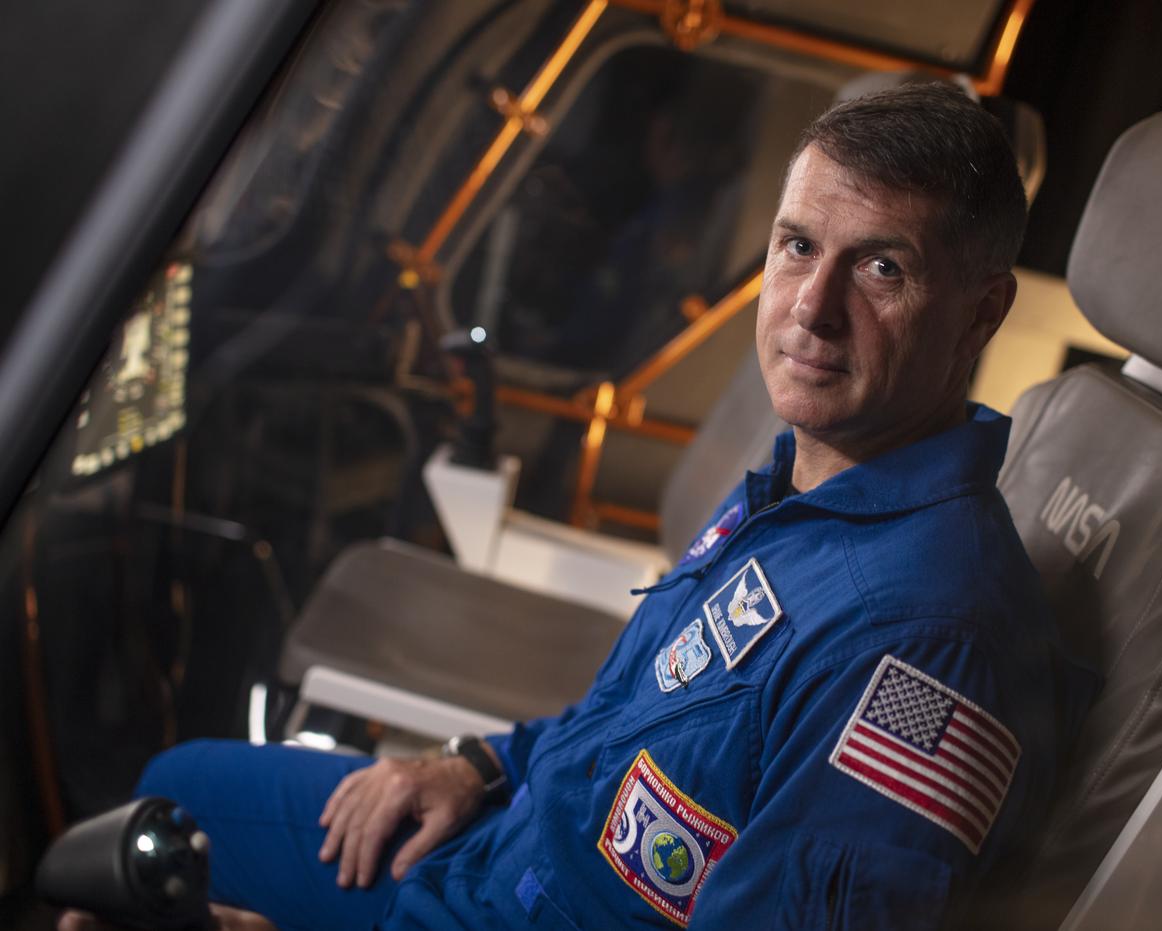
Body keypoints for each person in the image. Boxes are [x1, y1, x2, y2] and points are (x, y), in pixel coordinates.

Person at [62, 81, 1095, 931]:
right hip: (492, 848)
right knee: (172, 793)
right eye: (795, 246)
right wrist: (475, 765)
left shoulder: (924, 643)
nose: (811, 309)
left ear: (981, 312)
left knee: (123, 879)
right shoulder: (801, 493)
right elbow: (630, 720)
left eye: (880, 267)